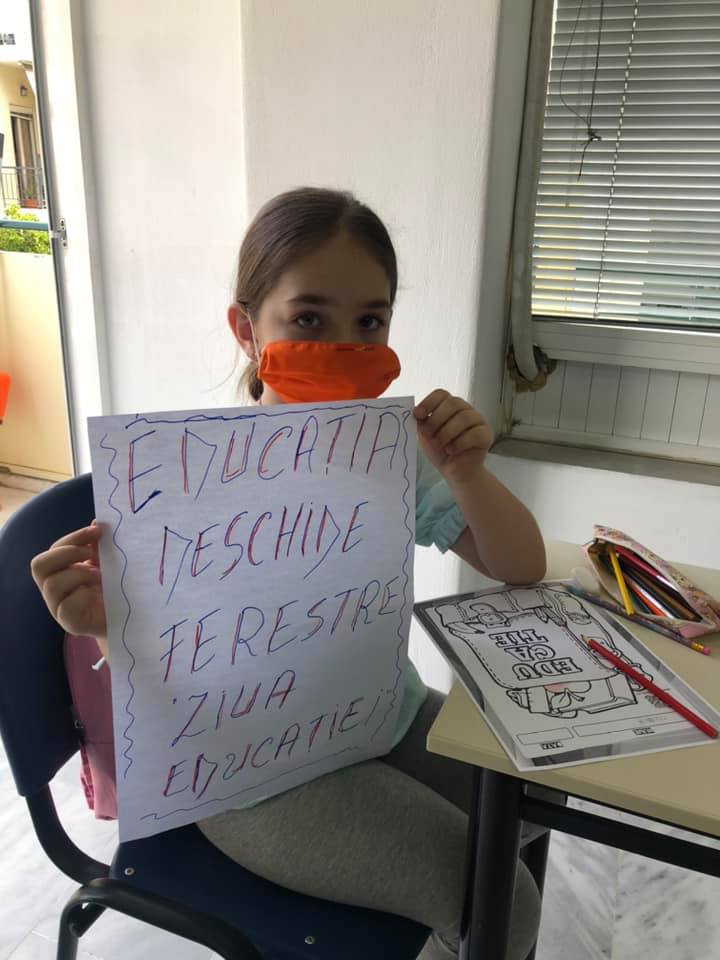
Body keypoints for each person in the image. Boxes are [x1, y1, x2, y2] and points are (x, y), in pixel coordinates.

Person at [31, 187, 546, 960]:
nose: (344, 343)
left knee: (538, 801)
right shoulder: (179, 486)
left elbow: (520, 566)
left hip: (378, 715)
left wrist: (467, 472)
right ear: (246, 329)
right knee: (501, 903)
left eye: (370, 321)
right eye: (308, 318)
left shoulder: (392, 454)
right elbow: (165, 683)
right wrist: (101, 624)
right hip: (251, 771)